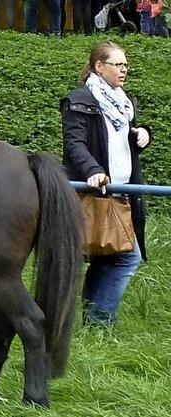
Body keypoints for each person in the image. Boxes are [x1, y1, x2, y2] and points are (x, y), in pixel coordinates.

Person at [61, 41, 152, 327]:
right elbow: (74, 144)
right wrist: (93, 170)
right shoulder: (79, 100)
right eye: (118, 64)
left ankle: (92, 322)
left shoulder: (124, 102)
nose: (124, 70)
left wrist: (143, 134)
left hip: (123, 194)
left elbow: (121, 139)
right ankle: (101, 320)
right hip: (97, 192)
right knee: (127, 257)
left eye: (126, 65)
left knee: (107, 255)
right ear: (99, 67)